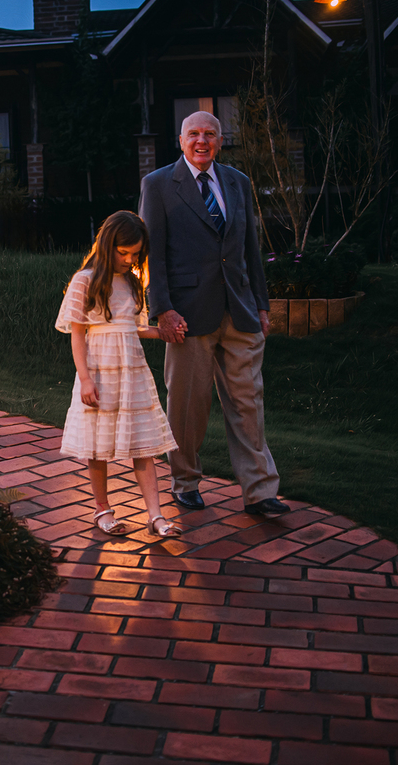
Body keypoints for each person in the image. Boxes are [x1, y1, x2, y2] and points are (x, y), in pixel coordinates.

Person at [139, 111, 288, 516]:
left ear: (221, 141)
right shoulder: (157, 185)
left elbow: (250, 249)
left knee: (248, 405)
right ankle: (185, 481)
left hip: (239, 312)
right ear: (180, 139)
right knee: (188, 407)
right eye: (194, 134)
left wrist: (261, 303)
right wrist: (163, 310)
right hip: (186, 317)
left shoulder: (238, 182)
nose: (201, 140)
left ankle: (260, 491)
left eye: (210, 134)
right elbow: (152, 255)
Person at [56, 211, 182, 538]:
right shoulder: (85, 281)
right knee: (98, 445)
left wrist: (163, 332)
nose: (129, 260)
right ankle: (102, 509)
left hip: (132, 371)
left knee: (143, 444)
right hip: (98, 369)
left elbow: (132, 328)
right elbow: (78, 335)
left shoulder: (131, 281)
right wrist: (84, 378)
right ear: (107, 245)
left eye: (135, 254)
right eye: (122, 253)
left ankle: (155, 516)